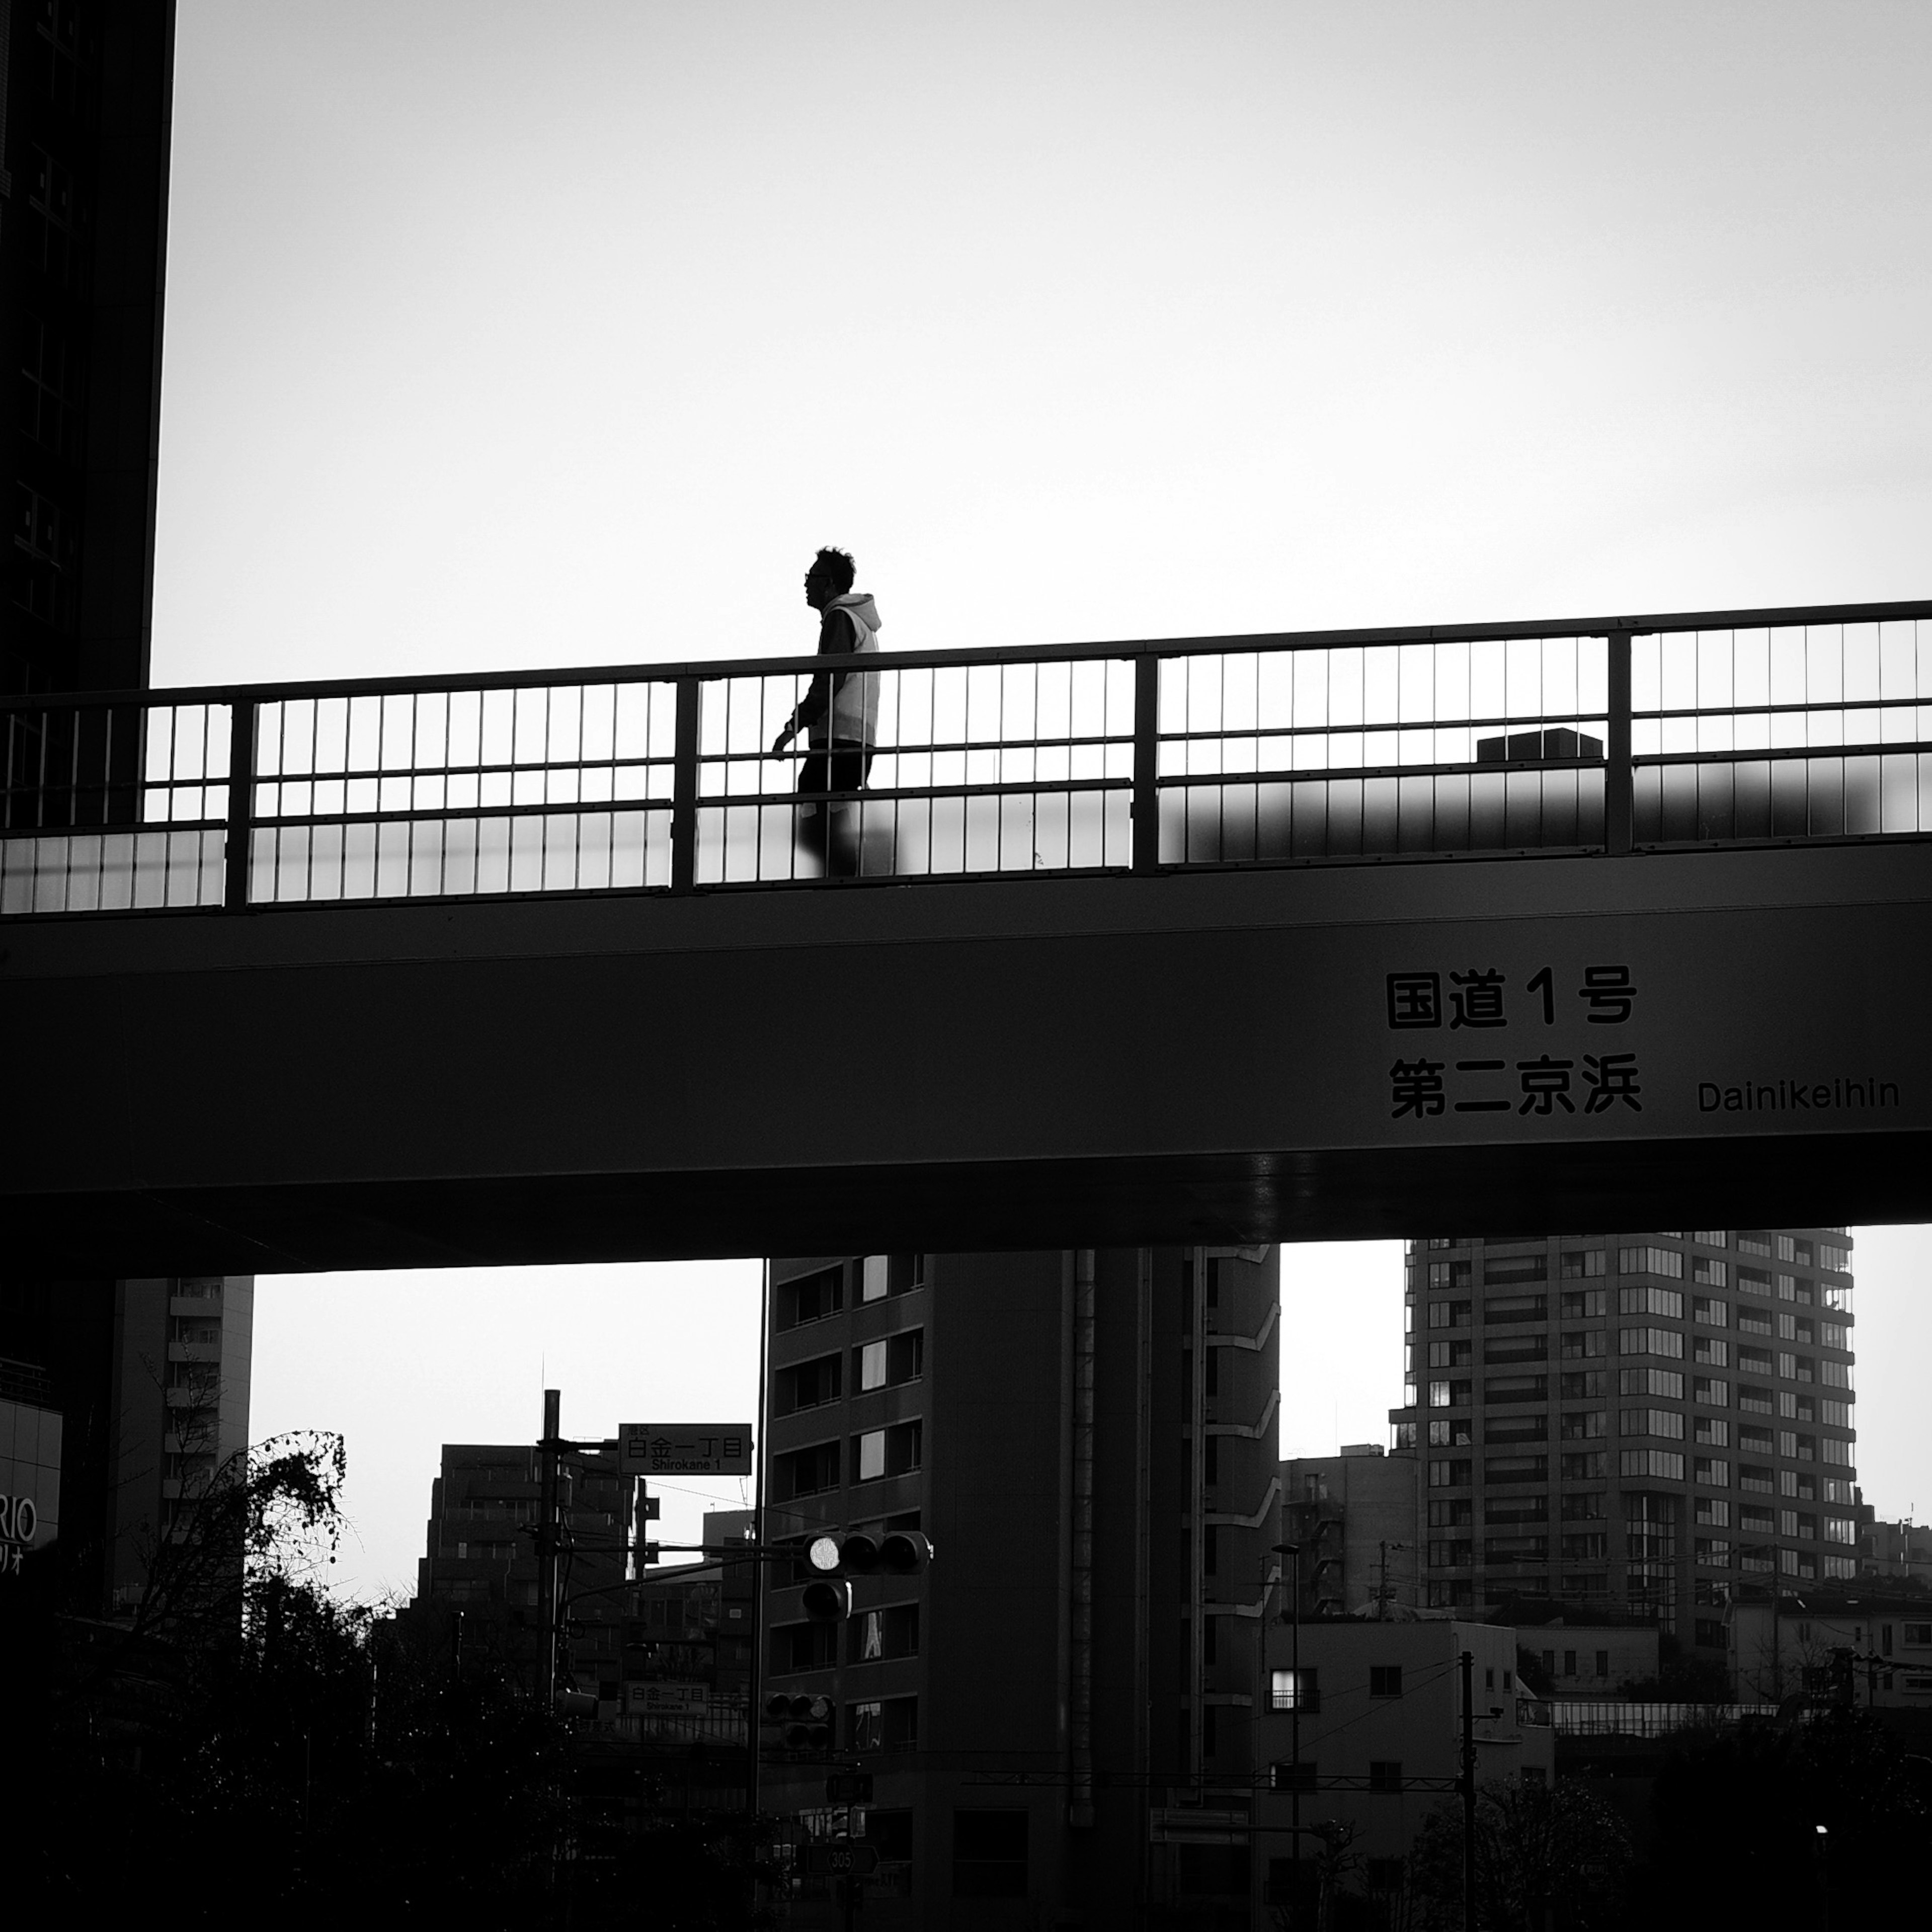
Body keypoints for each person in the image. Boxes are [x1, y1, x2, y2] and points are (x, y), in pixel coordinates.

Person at [770, 547, 881, 876]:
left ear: (830, 584)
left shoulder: (840, 618)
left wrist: (794, 725)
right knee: (832, 819)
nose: (806, 585)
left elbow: (829, 679)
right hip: (856, 740)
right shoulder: (861, 624)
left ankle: (846, 886)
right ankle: (847, 881)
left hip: (838, 742)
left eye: (812, 578)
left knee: (813, 819)